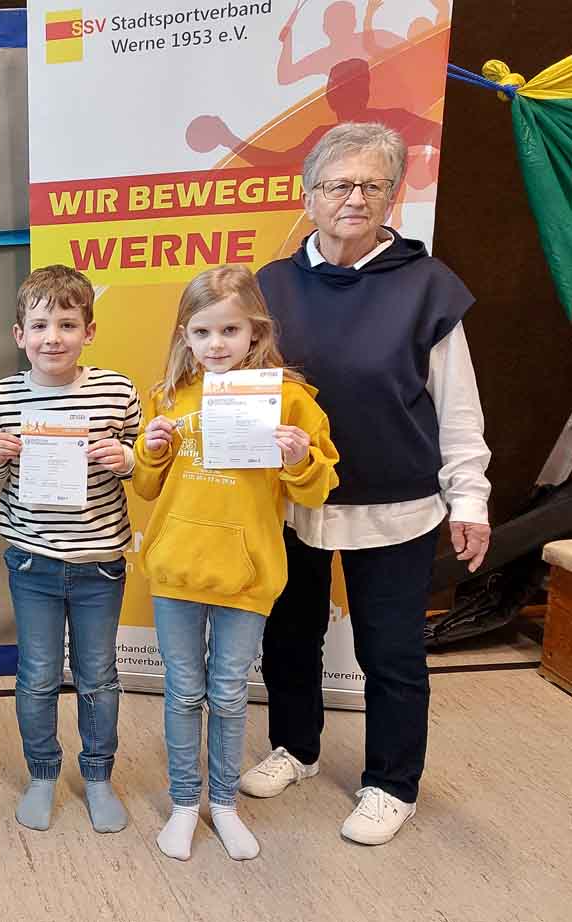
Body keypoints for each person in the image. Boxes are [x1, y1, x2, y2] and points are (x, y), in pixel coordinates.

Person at [243, 121, 491, 845]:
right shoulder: (272, 285)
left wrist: (468, 496)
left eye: (371, 185)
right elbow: (240, 386)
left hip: (398, 504)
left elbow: (459, 404)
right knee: (289, 637)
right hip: (292, 501)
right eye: (337, 184)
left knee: (390, 651)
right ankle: (295, 746)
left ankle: (391, 783)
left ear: (393, 197)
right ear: (308, 195)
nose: (353, 197)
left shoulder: (428, 287)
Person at [132, 265, 339, 862]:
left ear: (256, 331)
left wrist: (300, 458)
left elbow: (315, 490)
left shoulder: (289, 400)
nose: (216, 344)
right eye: (202, 332)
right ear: (184, 336)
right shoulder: (169, 397)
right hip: (176, 570)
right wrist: (148, 452)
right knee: (182, 691)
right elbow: (148, 487)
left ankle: (222, 803)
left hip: (247, 574)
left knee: (227, 692)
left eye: (230, 330)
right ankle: (182, 803)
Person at [0, 265, 141, 834]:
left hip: (100, 562)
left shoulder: (117, 390)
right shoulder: (1, 397)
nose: (54, 337)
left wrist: (125, 459)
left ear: (89, 332)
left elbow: (137, 459)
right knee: (38, 674)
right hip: (31, 561)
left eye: (68, 324)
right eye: (41, 324)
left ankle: (98, 774)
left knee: (98, 676)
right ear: (19, 335)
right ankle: (43, 772)